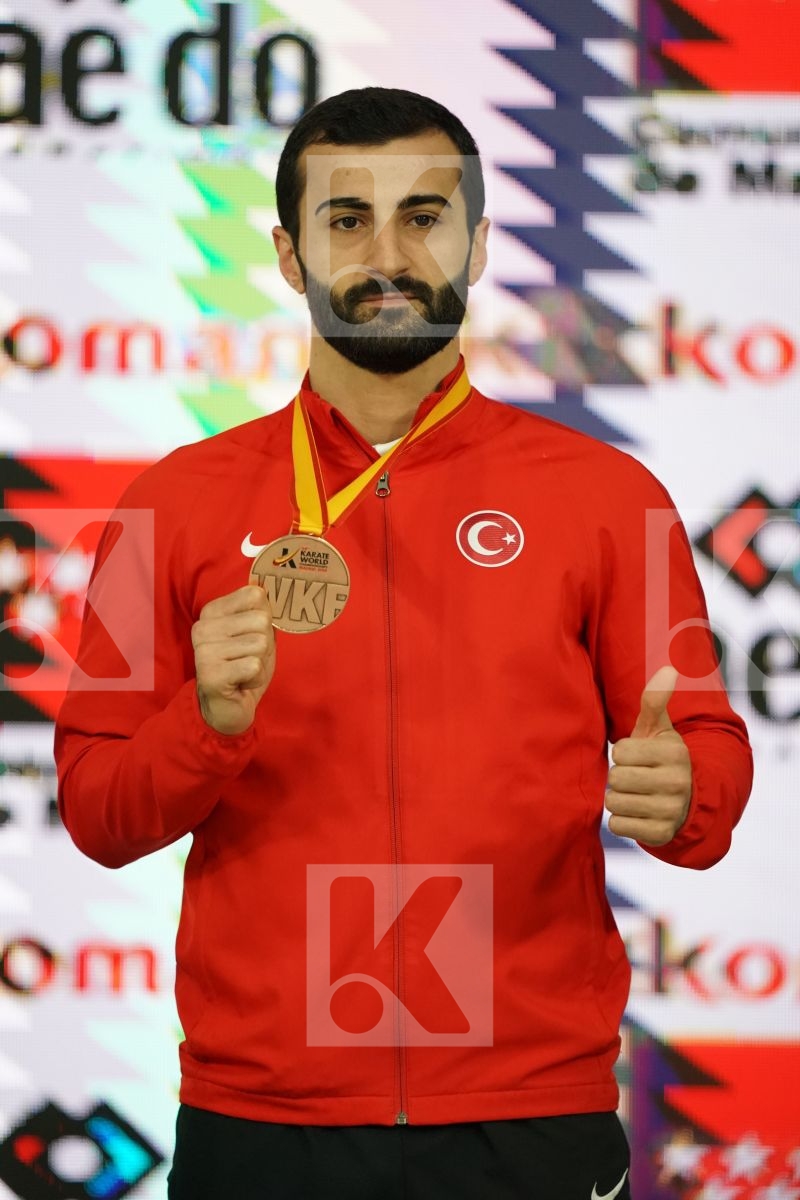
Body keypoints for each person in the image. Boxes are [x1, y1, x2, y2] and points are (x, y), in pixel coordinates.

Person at [53, 87, 753, 1200]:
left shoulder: (606, 496)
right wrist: (207, 726)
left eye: (423, 216)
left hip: (527, 1110)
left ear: (476, 241)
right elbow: (95, 813)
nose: (387, 253)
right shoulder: (172, 504)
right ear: (288, 255)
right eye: (345, 220)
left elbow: (703, 748)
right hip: (264, 1115)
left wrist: (689, 793)